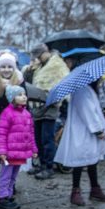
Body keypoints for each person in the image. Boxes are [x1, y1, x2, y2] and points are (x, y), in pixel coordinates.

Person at [54, 79, 105, 206]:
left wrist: (103, 112)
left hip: (87, 131)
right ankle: (75, 191)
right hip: (83, 131)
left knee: (92, 160)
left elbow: (92, 108)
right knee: (79, 161)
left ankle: (95, 189)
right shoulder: (82, 89)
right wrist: (98, 130)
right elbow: (86, 111)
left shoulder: (87, 88)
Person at [23, 44, 69, 180]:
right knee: (37, 139)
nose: (36, 59)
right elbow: (29, 82)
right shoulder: (39, 66)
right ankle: (40, 165)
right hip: (37, 107)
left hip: (50, 107)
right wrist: (30, 70)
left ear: (44, 53)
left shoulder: (56, 65)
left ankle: (49, 167)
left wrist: (53, 98)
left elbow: (61, 83)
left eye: (38, 56)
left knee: (47, 139)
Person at [0, 52, 25, 200]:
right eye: (3, 67)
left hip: (14, 126)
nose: (7, 70)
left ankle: (9, 185)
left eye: (10, 66)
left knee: (12, 156)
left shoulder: (20, 81)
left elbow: (24, 102)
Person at [0, 85, 37, 209]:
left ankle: (8, 194)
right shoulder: (7, 113)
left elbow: (31, 133)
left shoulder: (27, 114)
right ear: (12, 98)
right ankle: (2, 197)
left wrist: (34, 149)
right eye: (19, 95)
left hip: (20, 152)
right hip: (9, 153)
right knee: (5, 175)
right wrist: (2, 151)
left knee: (13, 175)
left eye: (24, 94)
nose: (23, 97)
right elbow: (1, 133)